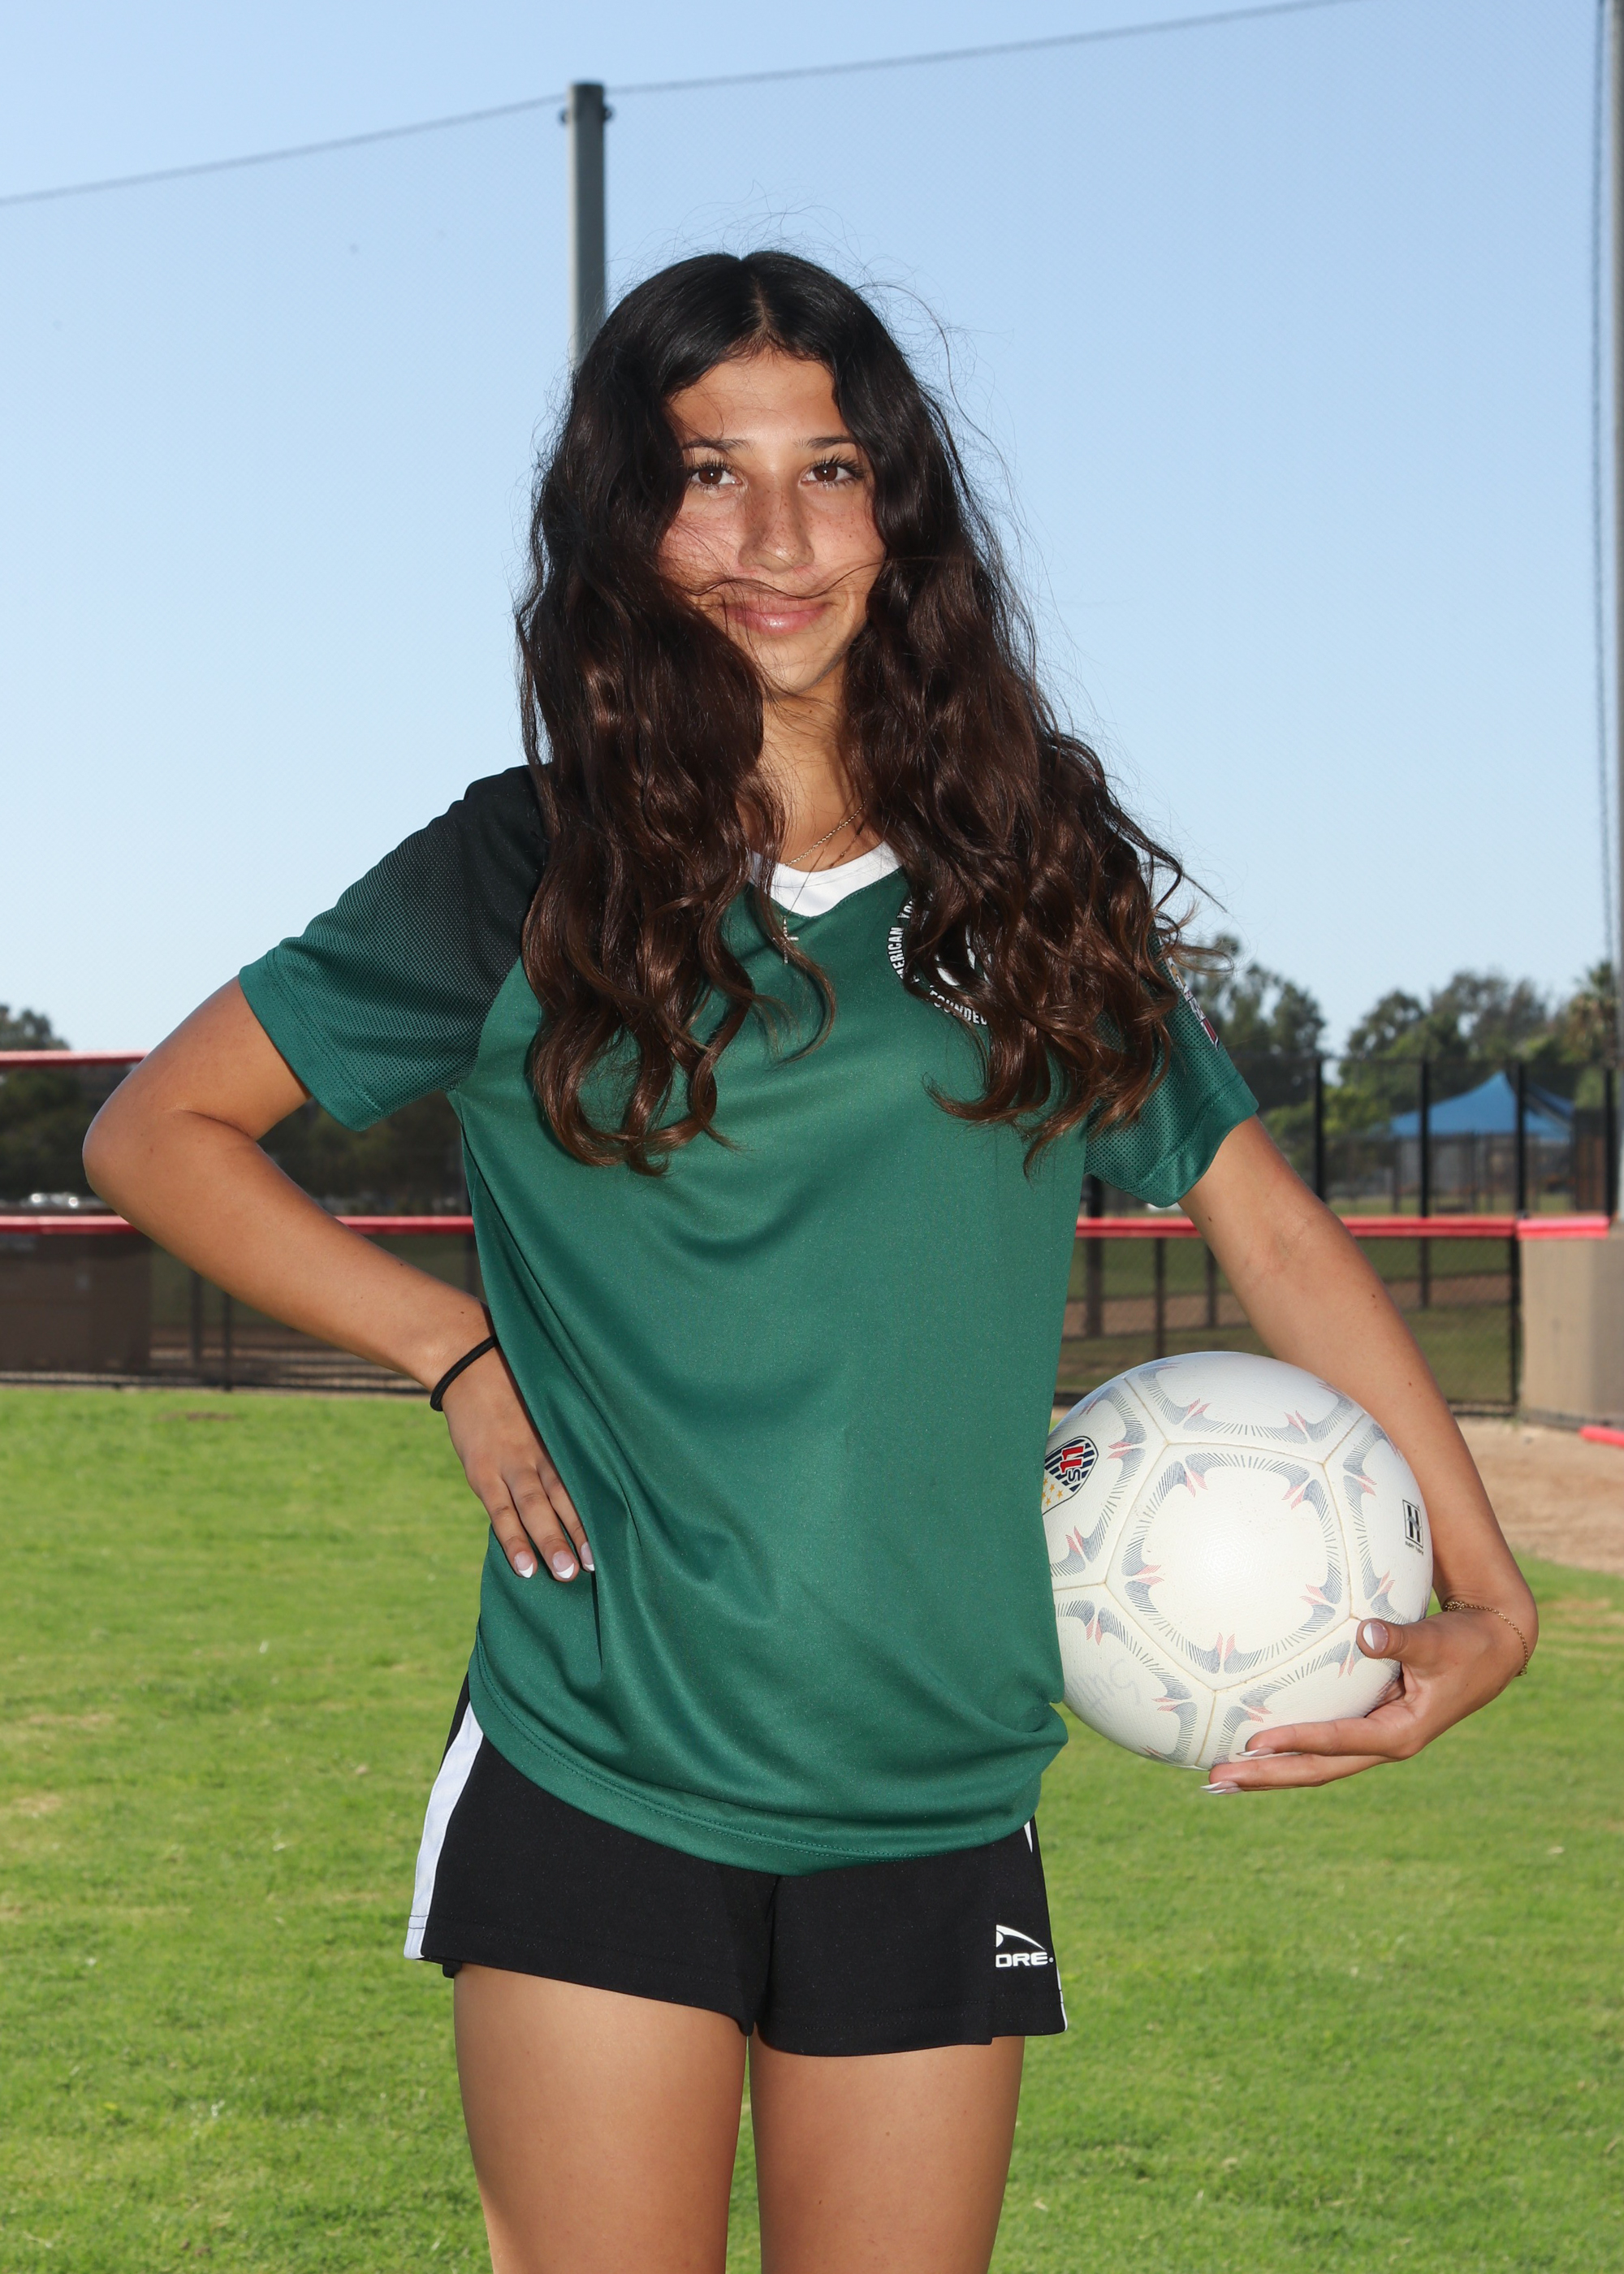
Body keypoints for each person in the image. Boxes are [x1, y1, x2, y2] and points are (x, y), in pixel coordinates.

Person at [84, 251, 1536, 2274]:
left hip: (934, 1783)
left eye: (829, 469)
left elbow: (1271, 1228)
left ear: (897, 510)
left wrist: (1488, 1587)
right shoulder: (524, 866)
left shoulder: (1030, 875)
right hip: (602, 1756)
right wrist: (450, 1349)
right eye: (709, 474)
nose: (775, 538)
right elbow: (154, 1128)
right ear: (628, 520)